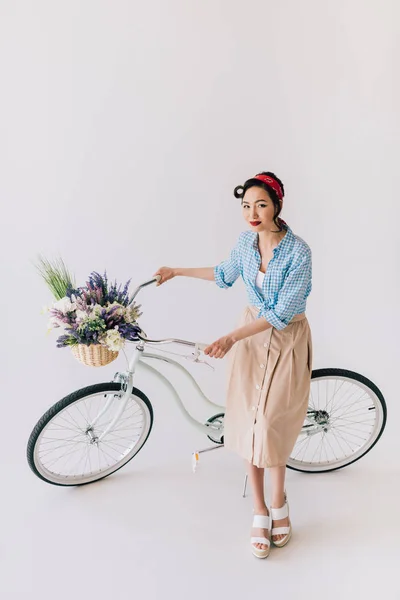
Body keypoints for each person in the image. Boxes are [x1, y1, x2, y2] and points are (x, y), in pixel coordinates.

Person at [154, 171, 313, 559]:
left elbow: (280, 314)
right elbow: (223, 275)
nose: (252, 213)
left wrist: (230, 338)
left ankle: (280, 504)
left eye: (260, 204)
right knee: (246, 420)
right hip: (248, 338)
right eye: (246, 206)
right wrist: (176, 271)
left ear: (276, 205)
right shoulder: (245, 243)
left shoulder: (299, 252)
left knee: (271, 423)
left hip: (285, 339)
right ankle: (259, 509)